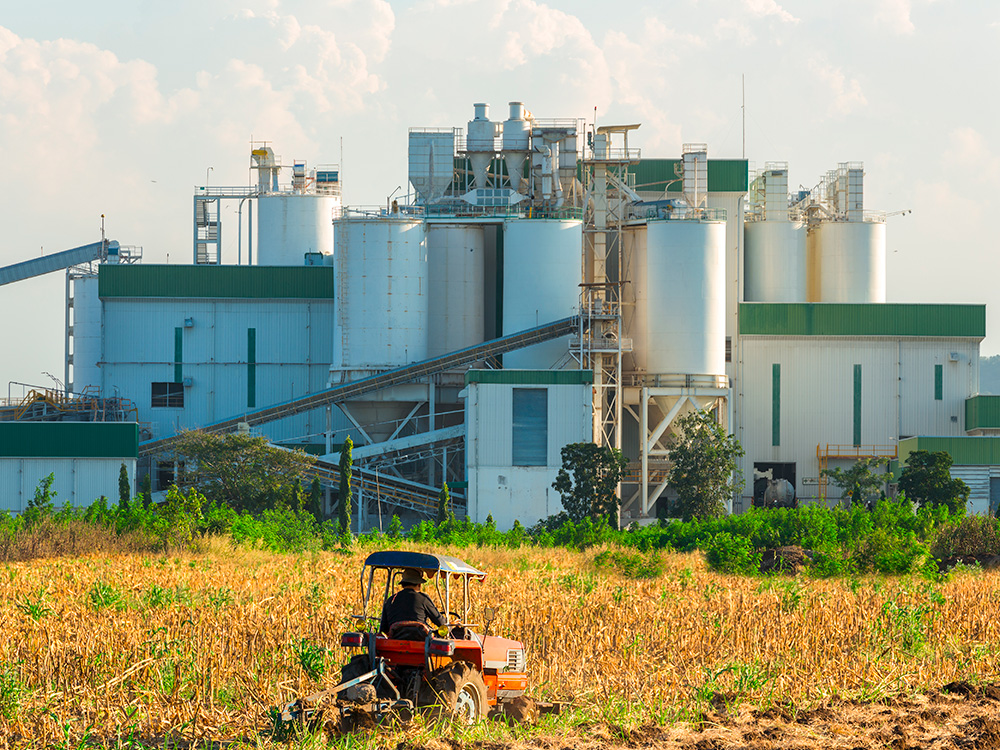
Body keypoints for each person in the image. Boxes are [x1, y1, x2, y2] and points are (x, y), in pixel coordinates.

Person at [379, 568, 446, 638]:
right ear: (419, 584)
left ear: (402, 585)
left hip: (395, 643)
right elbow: (441, 623)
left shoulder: (390, 600)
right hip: (421, 644)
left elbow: (383, 630)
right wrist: (451, 625)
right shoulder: (423, 598)